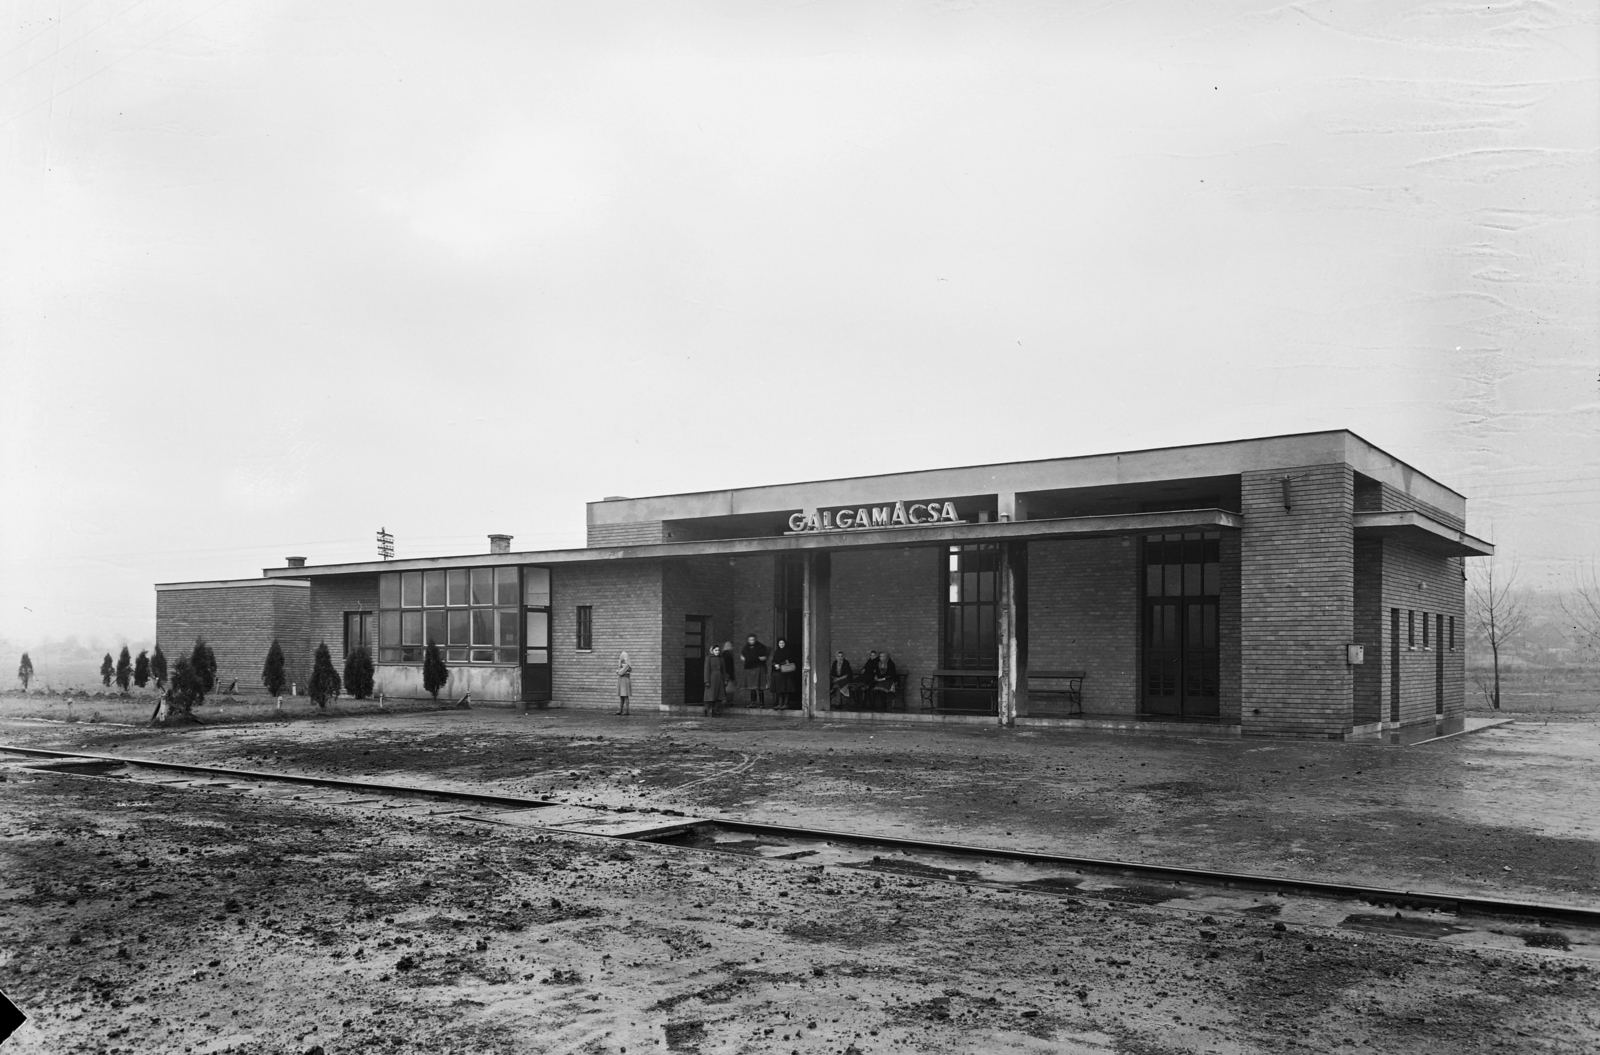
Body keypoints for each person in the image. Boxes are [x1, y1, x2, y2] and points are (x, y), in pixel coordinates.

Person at [740, 634, 770, 707]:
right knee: (751, 687)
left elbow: (764, 657)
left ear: (755, 639)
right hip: (749, 668)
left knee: (759, 686)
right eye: (750, 640)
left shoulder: (760, 646)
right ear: (748, 640)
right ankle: (753, 702)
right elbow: (742, 656)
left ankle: (761, 703)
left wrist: (755, 658)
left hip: (758, 667)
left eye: (753, 640)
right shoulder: (745, 648)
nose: (751, 641)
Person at [771, 637, 799, 710]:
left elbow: (788, 660)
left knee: (786, 688)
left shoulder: (788, 651)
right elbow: (773, 660)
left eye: (783, 643)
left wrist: (779, 665)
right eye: (780, 643)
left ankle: (786, 704)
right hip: (778, 673)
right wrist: (775, 665)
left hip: (786, 673)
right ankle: (780, 703)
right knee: (779, 689)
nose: (781, 645)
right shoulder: (777, 652)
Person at [703, 645, 726, 717]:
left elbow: (724, 670)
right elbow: (706, 670)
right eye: (716, 650)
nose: (717, 652)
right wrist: (706, 680)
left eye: (718, 650)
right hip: (712, 679)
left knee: (719, 695)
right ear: (712, 651)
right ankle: (707, 709)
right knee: (710, 695)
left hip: (720, 679)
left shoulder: (721, 659)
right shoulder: (708, 658)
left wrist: (726, 679)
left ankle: (716, 709)